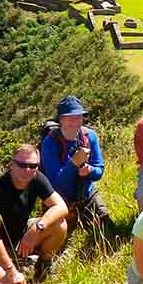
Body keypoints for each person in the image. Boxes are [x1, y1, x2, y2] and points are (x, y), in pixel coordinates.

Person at [0, 144, 70, 284]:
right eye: (22, 165)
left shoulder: (37, 178)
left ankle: (43, 265)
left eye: (33, 165)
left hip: (21, 234)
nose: (27, 170)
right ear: (11, 165)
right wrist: (11, 271)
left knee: (59, 224)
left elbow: (61, 207)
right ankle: (12, 267)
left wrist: (36, 229)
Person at [38, 95, 114, 238]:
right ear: (60, 119)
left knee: (109, 232)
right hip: (61, 201)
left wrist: (89, 170)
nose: (75, 122)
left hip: (87, 196)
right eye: (69, 118)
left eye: (78, 117)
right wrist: (73, 164)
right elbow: (56, 183)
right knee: (58, 240)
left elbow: (99, 170)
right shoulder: (50, 142)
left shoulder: (90, 136)